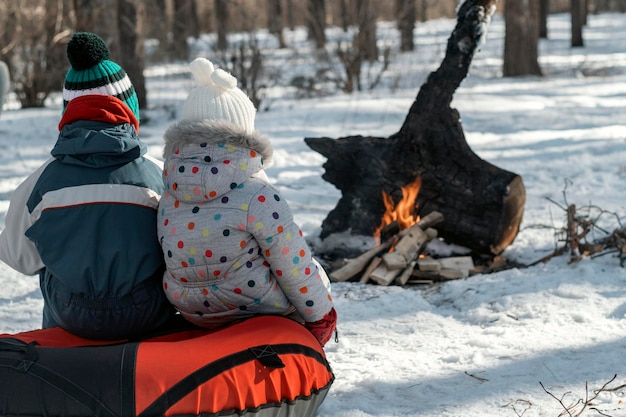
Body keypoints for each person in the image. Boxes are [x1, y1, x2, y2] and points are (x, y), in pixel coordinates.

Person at [0, 32, 173, 340]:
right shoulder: (157, 176)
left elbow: (20, 258)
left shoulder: (40, 183)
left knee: (49, 267)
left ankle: (58, 360)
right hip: (145, 313)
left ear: (69, 112)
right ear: (128, 108)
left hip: (69, 313)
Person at [158, 57, 337, 346]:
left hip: (192, 311)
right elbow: (292, 262)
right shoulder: (257, 195)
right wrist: (321, 315)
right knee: (311, 269)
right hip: (256, 308)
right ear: (244, 135)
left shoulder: (168, 193)